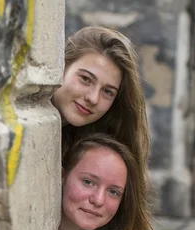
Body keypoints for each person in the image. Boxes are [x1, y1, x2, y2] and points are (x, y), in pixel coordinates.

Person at [52, 26, 151, 170]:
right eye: (86, 79)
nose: (93, 98)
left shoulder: (98, 153)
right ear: (62, 67)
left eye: (108, 92)